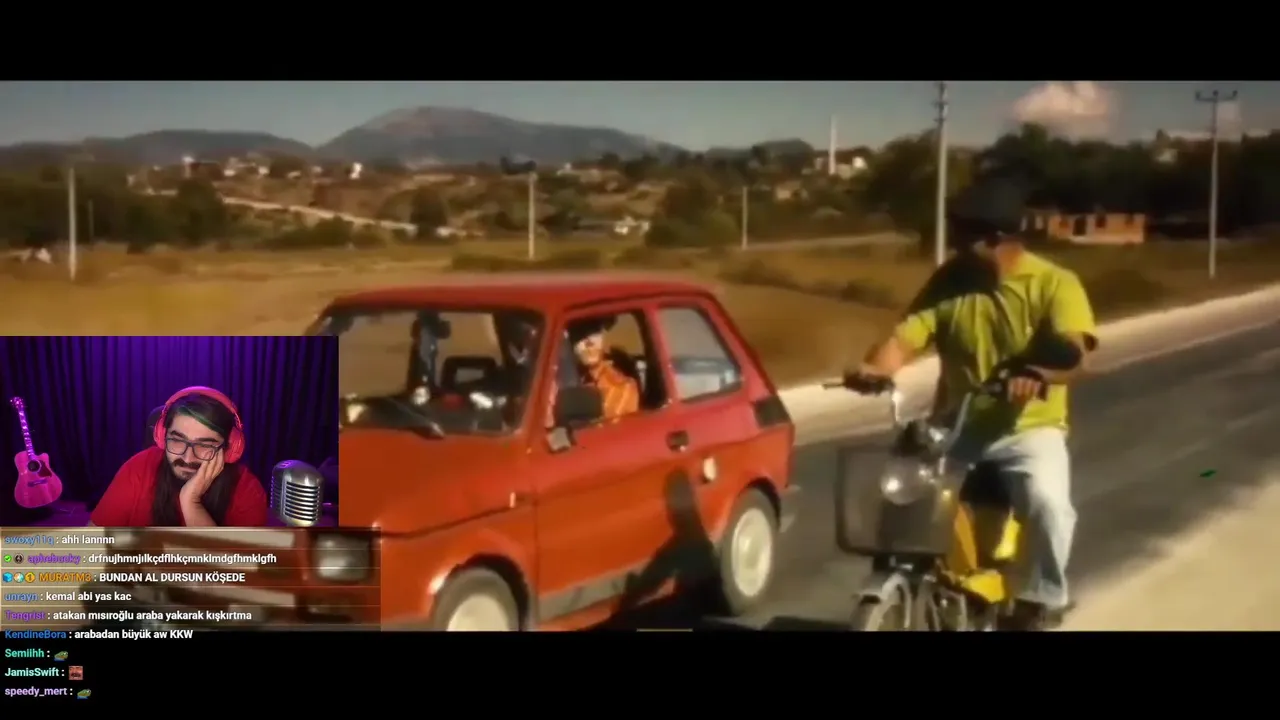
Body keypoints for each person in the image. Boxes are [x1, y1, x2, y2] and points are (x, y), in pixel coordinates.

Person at [844, 177, 1098, 631]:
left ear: (994, 238)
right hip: (956, 427)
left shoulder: (1055, 284)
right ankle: (911, 576)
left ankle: (1043, 599)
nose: (953, 241)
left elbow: (1075, 354)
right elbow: (906, 337)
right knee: (901, 492)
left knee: (1048, 504)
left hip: (1028, 428)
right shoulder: (950, 282)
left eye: (962, 232)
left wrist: (1036, 373)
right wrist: (874, 369)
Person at [90, 387, 269, 527]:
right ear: (162, 436)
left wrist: (191, 502)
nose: (188, 458)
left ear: (230, 448)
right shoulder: (139, 467)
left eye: (205, 445)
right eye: (177, 440)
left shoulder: (247, 490)